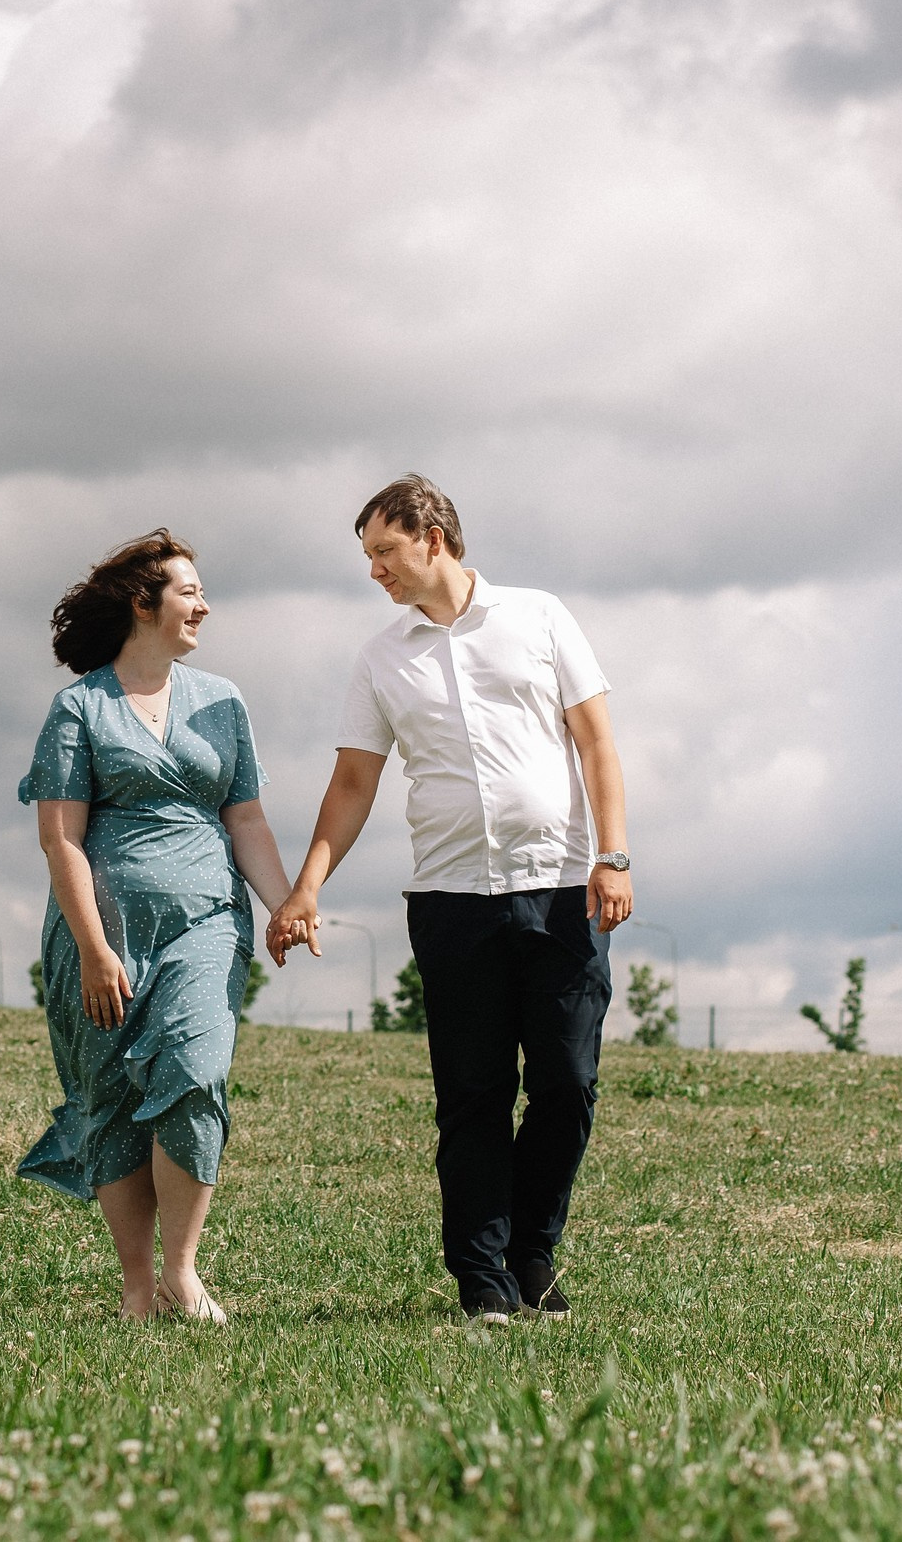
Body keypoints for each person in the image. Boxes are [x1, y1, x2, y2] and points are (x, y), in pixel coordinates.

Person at [268, 475, 632, 1324]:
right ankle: (482, 1279)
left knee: (567, 1083)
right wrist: (308, 884)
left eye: (384, 551)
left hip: (560, 888)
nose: (376, 571)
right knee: (470, 1093)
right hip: (451, 900)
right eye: (368, 557)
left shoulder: (541, 617)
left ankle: (531, 1251)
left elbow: (597, 741)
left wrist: (612, 857)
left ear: (433, 537)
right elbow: (354, 782)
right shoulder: (381, 658)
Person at [16, 529, 292, 1322]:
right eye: (188, 591)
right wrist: (96, 950)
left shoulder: (223, 702)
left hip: (206, 919)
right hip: (102, 938)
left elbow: (246, 817)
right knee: (111, 1102)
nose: (204, 604)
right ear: (144, 603)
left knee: (195, 1073)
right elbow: (60, 836)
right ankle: (138, 1287)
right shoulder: (80, 708)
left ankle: (183, 1270)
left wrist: (284, 905)